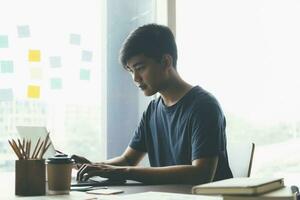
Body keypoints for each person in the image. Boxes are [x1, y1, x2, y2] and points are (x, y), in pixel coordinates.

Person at [73, 23, 233, 184]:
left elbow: (201, 174)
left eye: (140, 68)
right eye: (130, 70)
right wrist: (93, 166)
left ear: (165, 62)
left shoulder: (204, 107)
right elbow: (127, 160)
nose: (135, 78)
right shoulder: (153, 110)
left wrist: (125, 172)